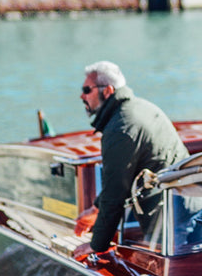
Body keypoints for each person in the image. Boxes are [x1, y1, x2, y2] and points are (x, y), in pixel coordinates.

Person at [76, 61, 190, 254]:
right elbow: (126, 177)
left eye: (87, 90)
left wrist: (96, 246)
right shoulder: (142, 107)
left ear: (107, 91)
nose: (82, 95)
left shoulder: (120, 129)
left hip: (171, 220)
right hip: (196, 205)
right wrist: (96, 209)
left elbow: (115, 195)